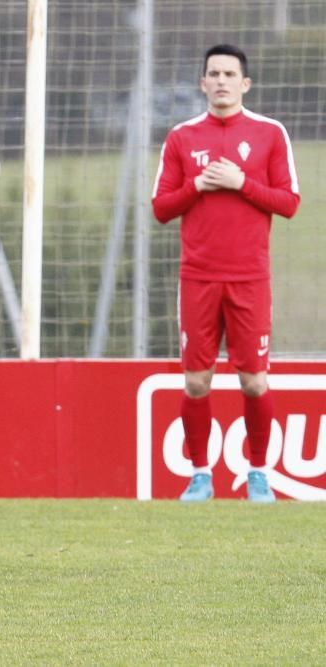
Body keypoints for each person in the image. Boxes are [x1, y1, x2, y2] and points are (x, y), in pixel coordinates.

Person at [152, 44, 300, 503]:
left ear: (245, 83)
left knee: (254, 380)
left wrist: (242, 184)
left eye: (229, 74)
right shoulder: (181, 137)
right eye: (213, 74)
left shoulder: (269, 133)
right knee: (196, 381)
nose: (220, 81)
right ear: (202, 83)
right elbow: (161, 208)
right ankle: (200, 476)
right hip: (197, 277)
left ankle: (259, 474)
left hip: (250, 278)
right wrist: (196, 185)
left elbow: (289, 203)